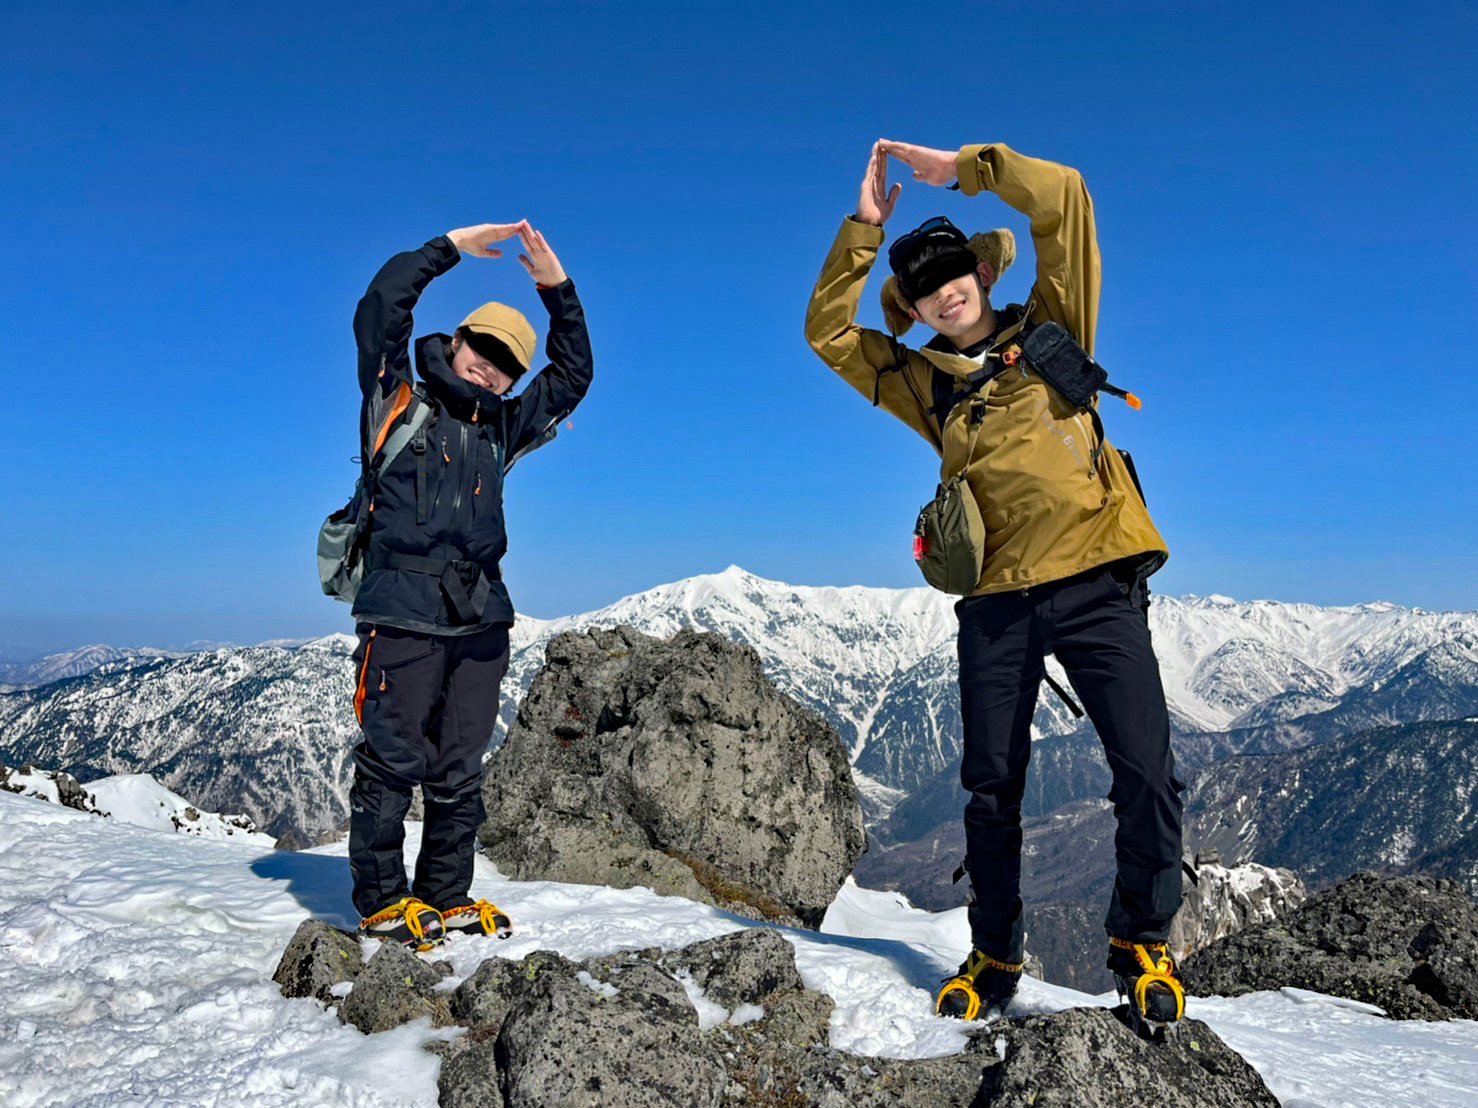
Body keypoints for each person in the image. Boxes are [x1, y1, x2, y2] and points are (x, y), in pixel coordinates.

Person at [805, 141, 1185, 1030]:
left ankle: (1141, 943)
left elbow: (1067, 201)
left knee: (1146, 772)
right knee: (992, 789)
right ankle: (995, 954)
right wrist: (863, 231)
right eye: (923, 287)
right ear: (914, 308)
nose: (944, 290)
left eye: (951, 271)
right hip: (996, 603)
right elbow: (828, 335)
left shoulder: (1055, 327)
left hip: (1096, 582)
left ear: (980, 270)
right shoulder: (922, 382)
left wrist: (969, 169)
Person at [347, 221, 593, 947]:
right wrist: (448, 248)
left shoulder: (502, 427)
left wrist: (557, 288)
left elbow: (573, 376)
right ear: (456, 342)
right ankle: (382, 900)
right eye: (483, 350)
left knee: (459, 764)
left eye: (507, 365)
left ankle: (445, 894)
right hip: (402, 612)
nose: (490, 369)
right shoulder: (397, 398)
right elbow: (381, 309)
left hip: (481, 617)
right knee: (392, 759)